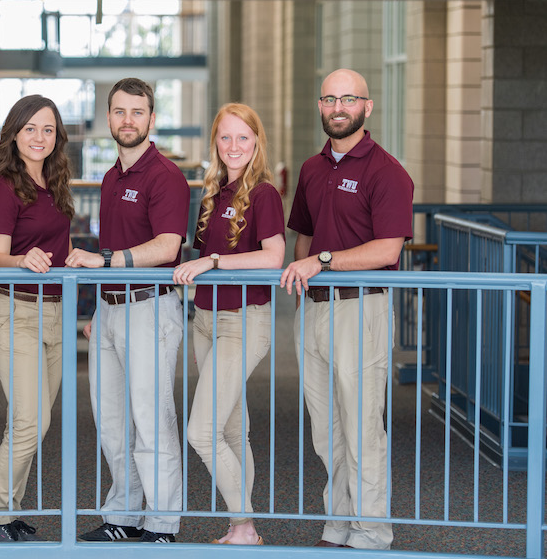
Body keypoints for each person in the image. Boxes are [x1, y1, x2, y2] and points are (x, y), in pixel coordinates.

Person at [279, 69, 413, 550]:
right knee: (326, 429)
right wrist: (303, 266)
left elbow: (387, 250)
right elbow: (305, 235)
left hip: (361, 311)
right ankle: (340, 522)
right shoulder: (313, 169)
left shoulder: (387, 171)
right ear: (320, 106)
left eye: (349, 98)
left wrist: (323, 261)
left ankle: (372, 530)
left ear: (367, 107)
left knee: (362, 429)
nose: (339, 107)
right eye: (330, 98)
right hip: (313, 313)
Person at [66, 78, 190, 543]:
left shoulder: (166, 176)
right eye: (119, 112)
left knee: (152, 420)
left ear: (151, 119)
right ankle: (123, 514)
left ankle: (161, 523)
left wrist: (103, 263)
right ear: (109, 119)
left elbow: (167, 247)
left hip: (150, 310)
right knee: (113, 422)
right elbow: (115, 243)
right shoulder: (110, 177)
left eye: (137, 112)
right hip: (112, 310)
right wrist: (102, 300)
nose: (128, 120)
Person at [172, 103, 284, 545]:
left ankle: (246, 525)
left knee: (201, 431)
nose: (233, 146)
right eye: (225, 137)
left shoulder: (263, 194)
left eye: (243, 137)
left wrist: (213, 261)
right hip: (205, 320)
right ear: (215, 143)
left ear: (256, 142)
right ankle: (241, 528)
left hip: (242, 322)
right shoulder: (214, 192)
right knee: (233, 429)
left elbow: (274, 256)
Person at [0, 95, 74, 542]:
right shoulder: (3, 188)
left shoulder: (55, 183)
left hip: (55, 312)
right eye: (31, 128)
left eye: (48, 129)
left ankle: (8, 510)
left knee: (40, 420)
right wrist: (21, 259)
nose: (40, 137)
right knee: (30, 420)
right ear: (14, 133)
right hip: (14, 311)